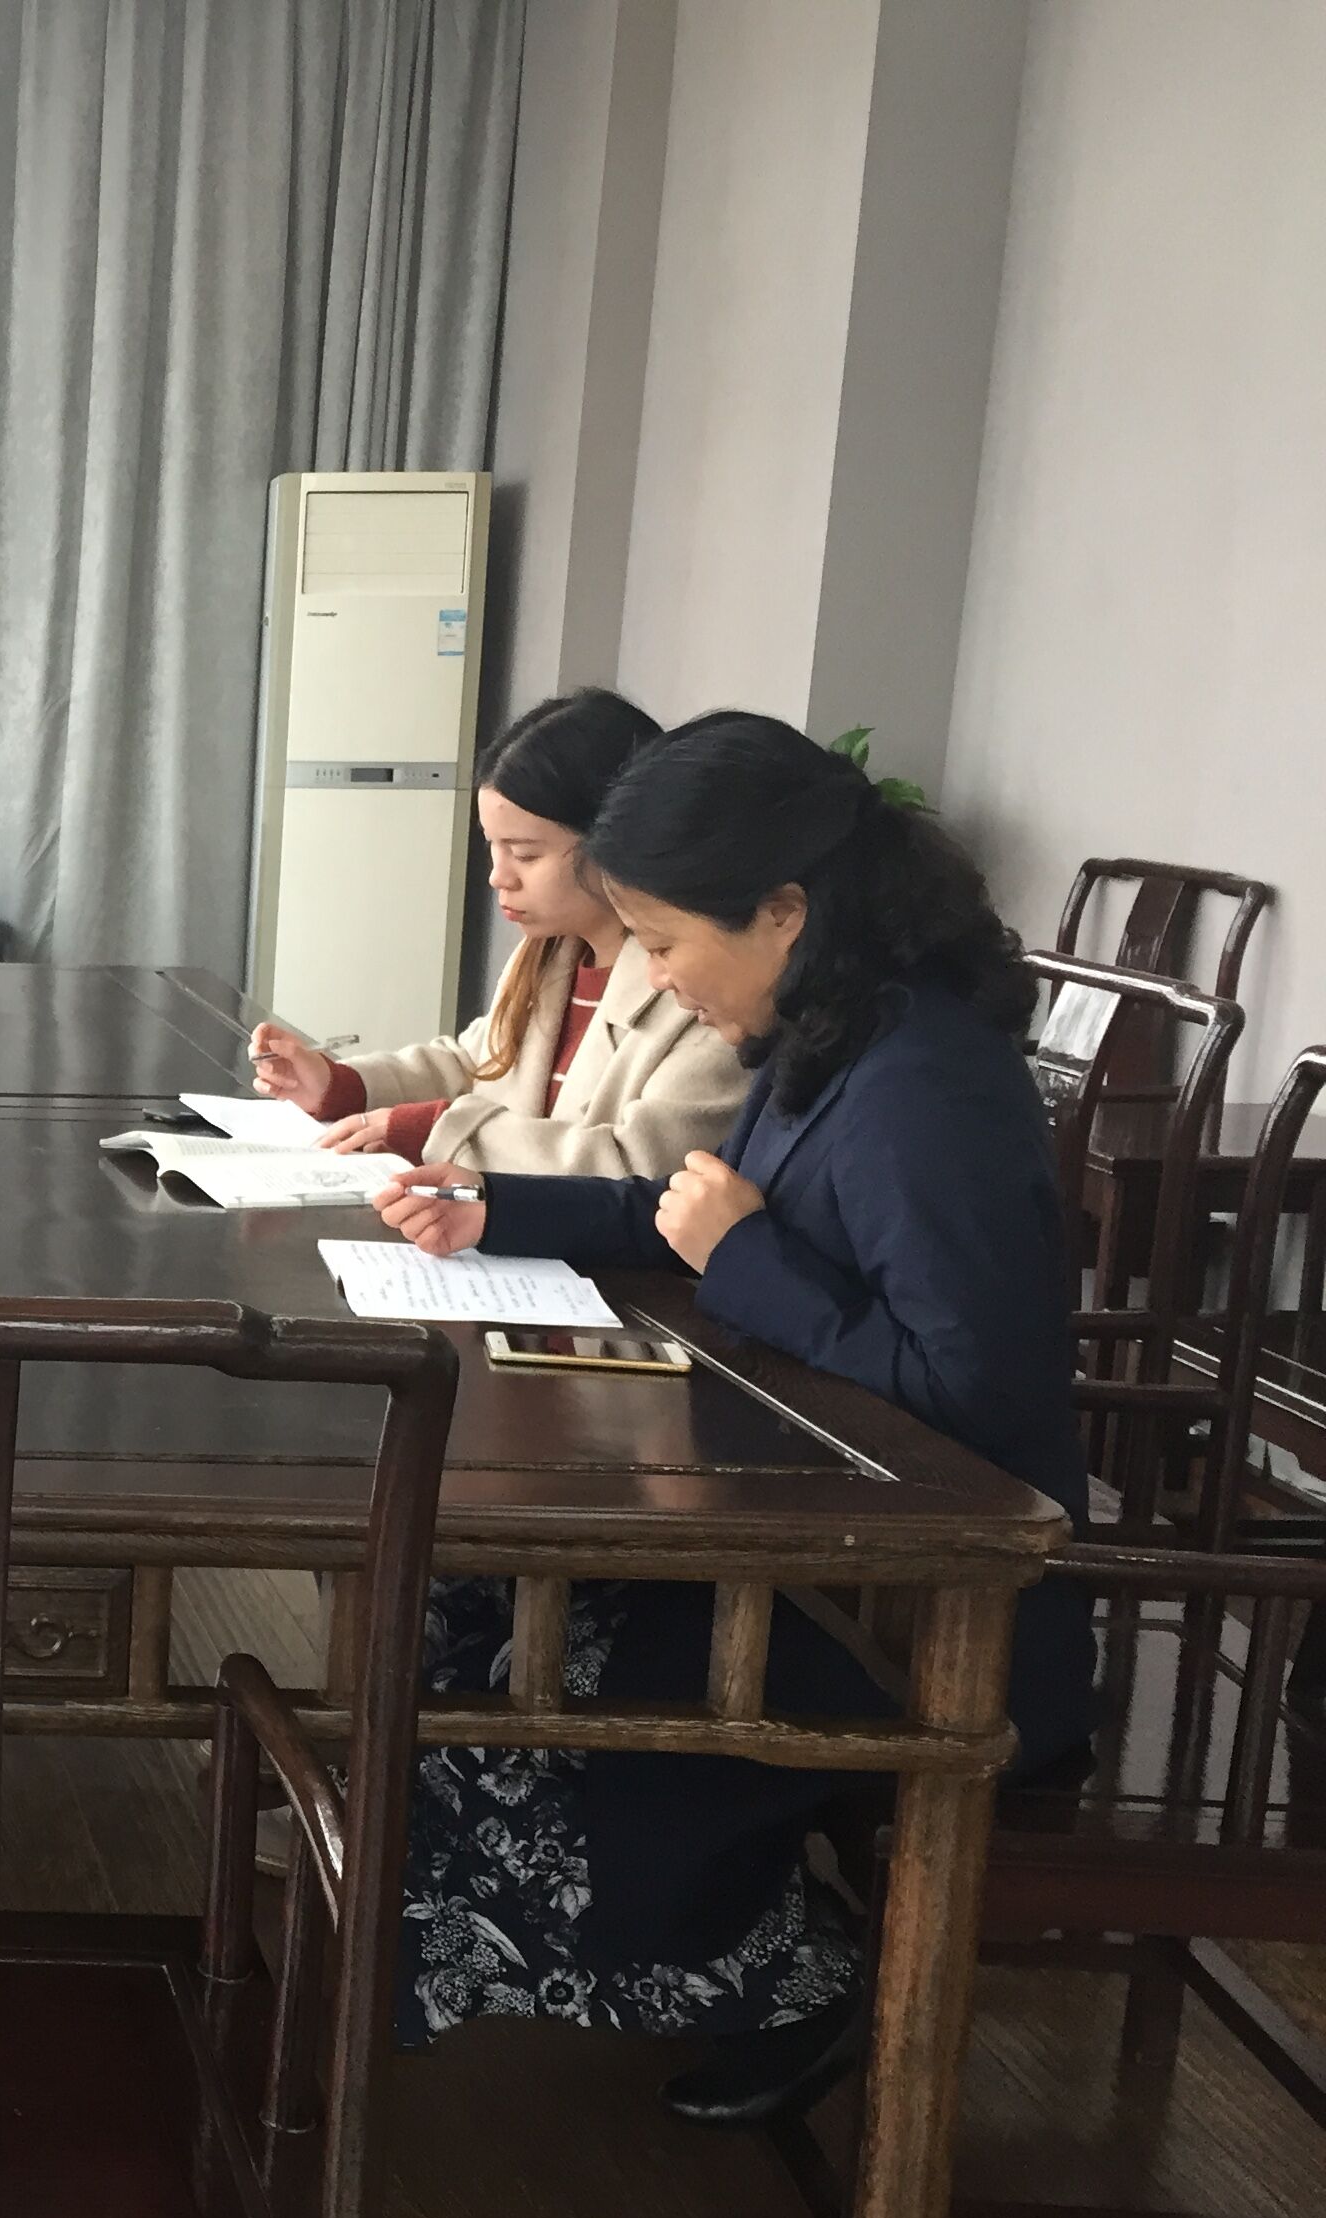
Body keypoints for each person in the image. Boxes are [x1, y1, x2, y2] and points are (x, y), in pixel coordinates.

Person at [364, 710, 1093, 2122]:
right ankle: (685, 1941)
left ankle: (794, 1982)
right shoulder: (834, 1032)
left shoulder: (926, 1089)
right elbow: (685, 1206)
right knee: (469, 1616)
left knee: (529, 1703)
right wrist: (497, 1208)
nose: (658, 978)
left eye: (667, 941)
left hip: (926, 1606)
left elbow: (971, 1401)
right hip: (818, 1540)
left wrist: (745, 1254)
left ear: (784, 911)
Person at [247, 688, 745, 1178]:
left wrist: (439, 1131)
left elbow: (637, 1164)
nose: (498, 877)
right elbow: (476, 1064)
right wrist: (341, 1084)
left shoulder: (700, 989)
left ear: (616, 841)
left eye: (526, 854)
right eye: (494, 847)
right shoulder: (550, 955)